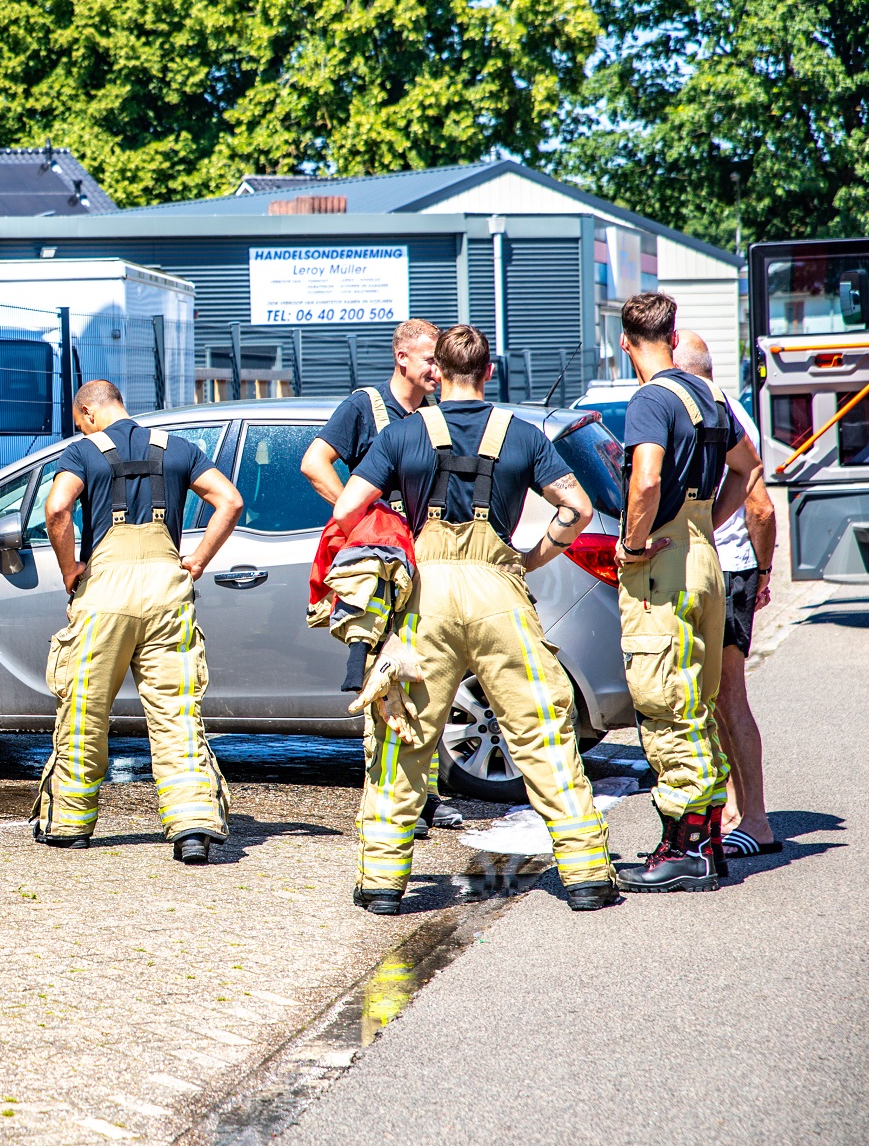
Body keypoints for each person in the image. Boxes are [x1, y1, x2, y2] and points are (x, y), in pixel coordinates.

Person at [333, 325, 618, 913]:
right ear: (489, 372)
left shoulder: (404, 433)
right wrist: (530, 557)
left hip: (423, 601)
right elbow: (578, 507)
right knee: (541, 730)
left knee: (402, 736)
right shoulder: (522, 435)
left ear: (437, 371)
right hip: (500, 595)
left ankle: (384, 884)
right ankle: (588, 874)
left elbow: (345, 507)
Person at [33, 380, 245, 864]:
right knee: (176, 713)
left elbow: (57, 508)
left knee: (85, 709)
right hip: (167, 593)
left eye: (77, 419)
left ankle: (69, 824)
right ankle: (192, 827)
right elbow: (229, 501)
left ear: (87, 412)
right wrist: (198, 561)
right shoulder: (179, 448)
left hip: (104, 595)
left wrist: (70, 569)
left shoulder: (82, 451)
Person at [610, 302, 761, 893]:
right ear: (672, 338)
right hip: (705, 554)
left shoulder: (650, 399)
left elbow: (646, 479)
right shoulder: (712, 395)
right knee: (698, 699)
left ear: (628, 344)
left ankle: (685, 845)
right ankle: (710, 839)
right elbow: (748, 470)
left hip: (664, 564)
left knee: (665, 700)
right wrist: (709, 518)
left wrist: (632, 541)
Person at [300, 318, 461, 836]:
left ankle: (425, 796)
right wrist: (362, 516)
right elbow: (313, 462)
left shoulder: (436, 416)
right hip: (380, 570)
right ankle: (390, 802)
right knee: (381, 681)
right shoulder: (364, 407)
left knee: (425, 677)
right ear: (403, 360)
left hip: (424, 562)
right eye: (431, 360)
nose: (438, 369)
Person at [671, 332, 781, 859]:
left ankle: (756, 819)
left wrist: (760, 575)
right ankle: (738, 809)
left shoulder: (720, 412)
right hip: (727, 567)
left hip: (731, 567)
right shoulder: (720, 408)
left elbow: (760, 506)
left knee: (729, 695)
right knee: (715, 696)